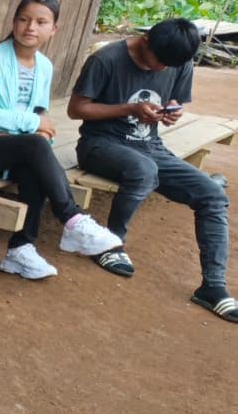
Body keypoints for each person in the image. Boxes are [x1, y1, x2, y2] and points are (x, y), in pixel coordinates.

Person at [68, 17, 235, 321]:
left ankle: (212, 286)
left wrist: (172, 111)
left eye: (167, 66)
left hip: (151, 147)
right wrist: (129, 109)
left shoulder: (178, 60)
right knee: (144, 170)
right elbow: (76, 109)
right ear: (145, 41)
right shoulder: (106, 59)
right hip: (99, 145)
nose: (161, 69)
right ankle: (110, 243)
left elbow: (175, 99)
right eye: (157, 62)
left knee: (212, 194)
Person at [0, 0, 121, 279]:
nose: (30, 27)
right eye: (24, 19)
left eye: (41, 22)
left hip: (17, 145)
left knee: (35, 163)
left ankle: (20, 250)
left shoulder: (44, 66)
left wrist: (41, 131)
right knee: (34, 147)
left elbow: (39, 110)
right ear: (14, 22)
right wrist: (35, 125)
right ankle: (72, 219)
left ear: (53, 29)